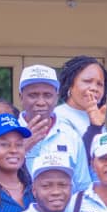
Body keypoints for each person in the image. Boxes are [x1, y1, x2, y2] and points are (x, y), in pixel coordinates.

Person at [19, 64, 92, 194]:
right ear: (21, 97)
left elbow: (82, 188)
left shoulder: (71, 136)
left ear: (56, 97)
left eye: (47, 95)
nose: (41, 102)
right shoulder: (9, 134)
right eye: (33, 95)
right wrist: (21, 149)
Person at [53, 56, 107, 159]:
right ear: (70, 85)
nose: (94, 88)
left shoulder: (96, 116)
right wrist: (95, 128)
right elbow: (76, 159)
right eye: (87, 81)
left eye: (99, 84)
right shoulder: (58, 117)